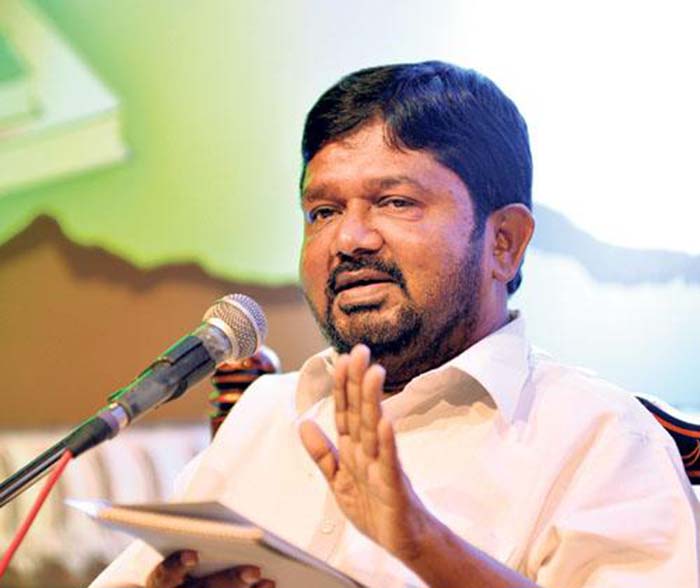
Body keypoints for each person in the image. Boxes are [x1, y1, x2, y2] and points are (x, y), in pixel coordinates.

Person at [90, 61, 699, 588]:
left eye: (395, 202)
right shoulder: (267, 413)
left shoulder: (599, 434)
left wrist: (422, 543)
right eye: (322, 211)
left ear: (505, 243)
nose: (349, 238)